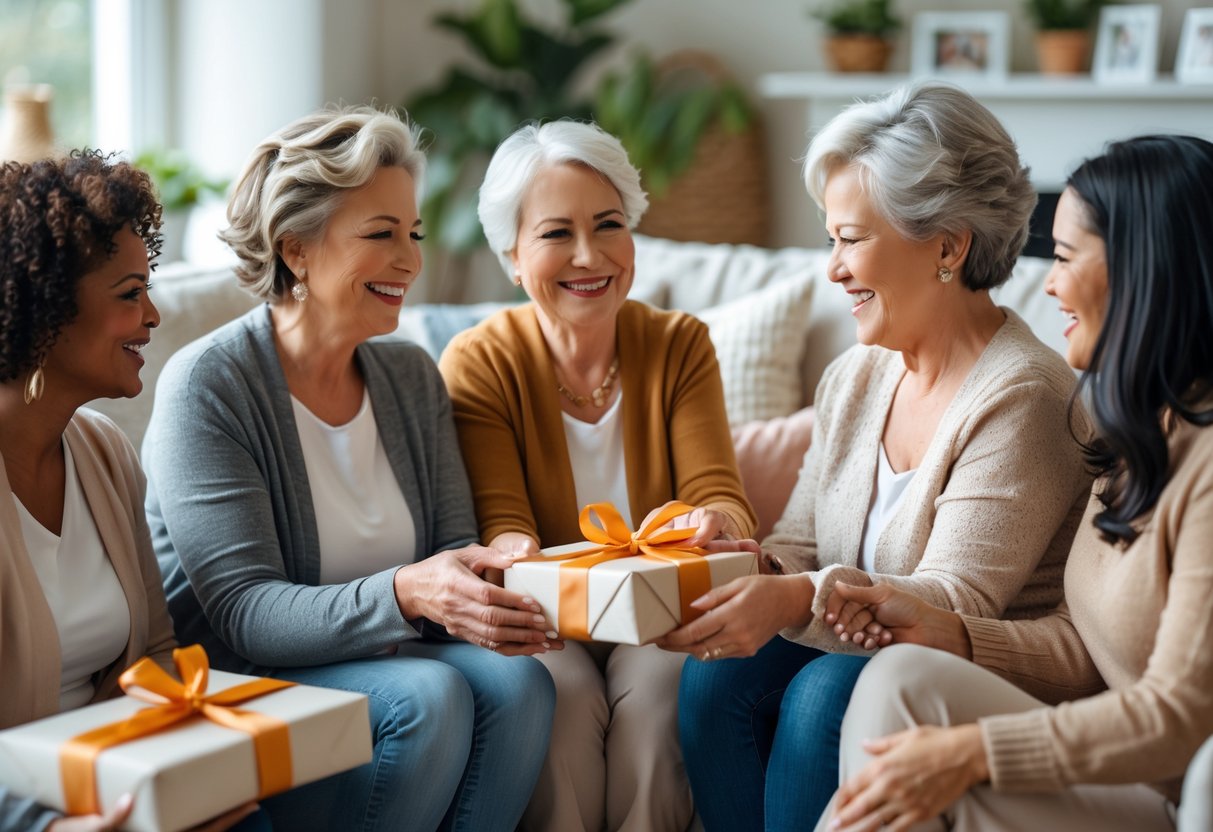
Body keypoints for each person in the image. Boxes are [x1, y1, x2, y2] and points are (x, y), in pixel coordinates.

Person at [661, 82, 1094, 831]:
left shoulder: (1022, 394)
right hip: (859, 653)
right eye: (830, 239)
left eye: (850, 239)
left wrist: (792, 598)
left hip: (983, 675)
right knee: (715, 679)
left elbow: (949, 607)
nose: (831, 268)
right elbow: (800, 544)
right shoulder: (857, 375)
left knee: (826, 691)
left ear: (947, 246)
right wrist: (745, 565)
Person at [143, 106, 555, 832]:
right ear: (295, 248)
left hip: (386, 658)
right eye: (381, 234)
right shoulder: (207, 384)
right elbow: (244, 614)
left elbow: (453, 548)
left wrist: (514, 597)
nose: (410, 259)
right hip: (237, 672)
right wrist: (405, 592)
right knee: (425, 696)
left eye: (413, 234)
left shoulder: (409, 375)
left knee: (519, 681)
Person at [820, 134, 1213, 832]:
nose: (1048, 284)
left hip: (1177, 793)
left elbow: (1178, 717)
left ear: (1143, 268)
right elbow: (1084, 647)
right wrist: (947, 632)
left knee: (908, 752)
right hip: (1118, 768)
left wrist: (973, 753)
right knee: (900, 680)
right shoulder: (1135, 425)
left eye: (1062, 258)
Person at [438, 120, 757, 832]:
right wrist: (518, 555)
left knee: (663, 690)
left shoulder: (679, 344)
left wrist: (717, 523)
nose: (589, 255)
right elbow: (501, 523)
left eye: (608, 224)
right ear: (512, 257)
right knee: (557, 696)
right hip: (543, 615)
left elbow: (718, 492)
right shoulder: (477, 360)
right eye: (555, 233)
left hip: (659, 611)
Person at [0, 153, 256, 832]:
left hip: (113, 785)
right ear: (45, 309)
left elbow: (152, 653)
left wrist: (183, 775)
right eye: (129, 293)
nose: (153, 315)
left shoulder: (106, 453)